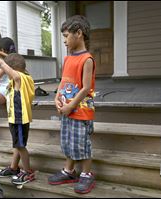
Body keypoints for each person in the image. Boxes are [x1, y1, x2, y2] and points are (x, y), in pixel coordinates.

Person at [47, 15, 96, 194]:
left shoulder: (87, 59)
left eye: (67, 36)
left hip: (80, 109)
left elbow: (85, 88)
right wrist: (57, 97)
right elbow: (63, 81)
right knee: (68, 141)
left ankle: (86, 174)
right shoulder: (68, 59)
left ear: (79, 33)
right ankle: (69, 171)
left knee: (82, 143)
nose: (65, 41)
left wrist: (70, 106)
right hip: (67, 108)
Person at [0, 53, 35, 186]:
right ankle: (14, 168)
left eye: (6, 70)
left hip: (19, 119)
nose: (4, 73)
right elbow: (14, 61)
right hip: (15, 118)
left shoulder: (20, 78)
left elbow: (8, 68)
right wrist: (0, 56)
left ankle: (27, 172)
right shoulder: (24, 77)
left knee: (20, 146)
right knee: (17, 145)